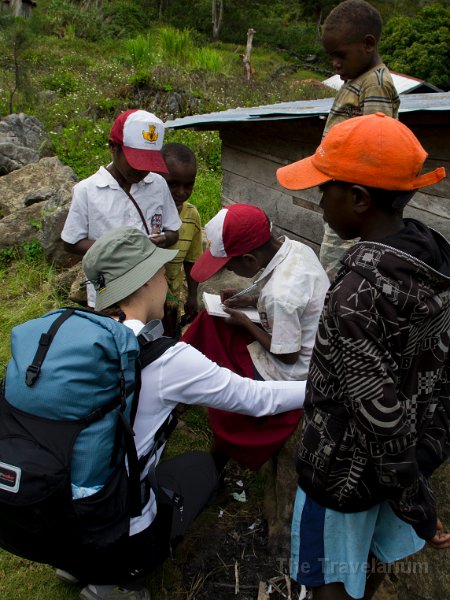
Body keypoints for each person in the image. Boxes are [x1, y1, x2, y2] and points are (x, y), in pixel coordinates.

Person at [67, 225, 306, 600]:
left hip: (66, 498)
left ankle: (71, 558)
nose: (167, 279)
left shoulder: (79, 333)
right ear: (147, 280)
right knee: (199, 470)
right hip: (116, 515)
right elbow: (257, 399)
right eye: (161, 271)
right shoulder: (169, 360)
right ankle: (118, 581)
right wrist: (323, 387)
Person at [276, 112, 450, 600]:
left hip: (341, 476)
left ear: (357, 198)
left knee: (326, 575)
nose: (318, 199)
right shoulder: (434, 266)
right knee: (369, 559)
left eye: (324, 188)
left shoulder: (357, 291)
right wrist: (417, 480)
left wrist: (417, 504)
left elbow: (378, 414)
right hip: (407, 465)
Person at [182, 203, 329, 547]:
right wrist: (248, 297)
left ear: (248, 260)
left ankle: (219, 438)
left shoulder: (282, 294)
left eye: (231, 265)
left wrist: (246, 322)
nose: (230, 270)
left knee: (224, 384)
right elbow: (276, 295)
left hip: (290, 371)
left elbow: (287, 351)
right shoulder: (294, 248)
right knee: (211, 321)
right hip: (290, 336)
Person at [61, 109, 182, 307]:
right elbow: (71, 242)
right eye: (136, 162)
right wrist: (117, 249)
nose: (142, 171)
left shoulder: (158, 184)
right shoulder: (88, 190)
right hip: (107, 289)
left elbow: (173, 231)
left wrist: (164, 239)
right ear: (113, 148)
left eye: (148, 163)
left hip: (149, 287)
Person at [319, 0, 400, 281]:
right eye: (331, 56)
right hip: (342, 196)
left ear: (368, 44)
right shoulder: (354, 80)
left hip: (354, 199)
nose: (335, 63)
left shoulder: (375, 83)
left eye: (340, 55)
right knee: (332, 263)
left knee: (336, 271)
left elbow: (376, 142)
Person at [160, 142, 202, 337]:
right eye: (173, 183)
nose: (181, 192)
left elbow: (192, 259)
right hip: (142, 299)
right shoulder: (147, 212)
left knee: (169, 338)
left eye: (188, 185)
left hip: (172, 300)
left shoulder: (191, 215)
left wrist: (192, 295)